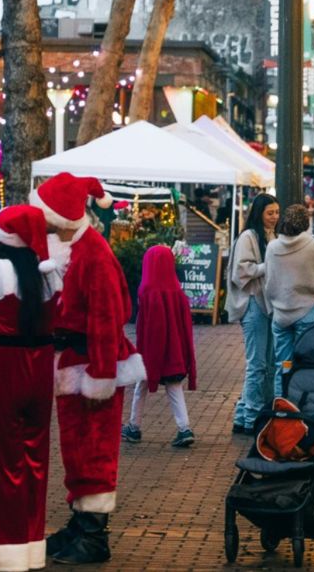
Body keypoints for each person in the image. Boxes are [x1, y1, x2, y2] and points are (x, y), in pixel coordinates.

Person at [34, 173, 144, 565]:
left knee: (95, 449)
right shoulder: (70, 250)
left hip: (92, 368)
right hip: (74, 365)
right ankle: (81, 522)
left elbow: (106, 318)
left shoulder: (93, 254)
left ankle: (95, 534)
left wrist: (101, 375)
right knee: (77, 448)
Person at [0, 205, 61, 571]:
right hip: (41, 368)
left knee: (2, 458)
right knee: (35, 455)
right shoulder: (50, 275)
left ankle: (2, 548)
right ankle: (31, 544)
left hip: (5, 367)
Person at [123, 245, 198, 449]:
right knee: (174, 387)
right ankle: (184, 428)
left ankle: (134, 426)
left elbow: (145, 327)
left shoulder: (146, 291)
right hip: (174, 352)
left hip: (151, 351)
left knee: (141, 386)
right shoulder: (178, 291)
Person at [264, 203, 314, 397]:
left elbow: (268, 280)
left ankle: (281, 405)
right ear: (305, 223)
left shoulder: (272, 247)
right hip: (306, 310)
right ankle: (302, 404)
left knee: (282, 364)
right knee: (306, 362)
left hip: (280, 312)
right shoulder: (313, 246)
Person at [228, 194, 279, 434]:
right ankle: (251, 418)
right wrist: (270, 265)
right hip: (252, 303)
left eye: (277, 212)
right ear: (259, 213)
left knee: (265, 363)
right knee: (257, 364)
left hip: (267, 304)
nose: (275, 217)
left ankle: (242, 415)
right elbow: (241, 271)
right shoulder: (248, 237)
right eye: (270, 213)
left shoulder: (272, 236)